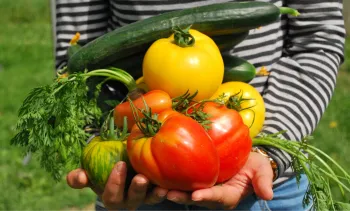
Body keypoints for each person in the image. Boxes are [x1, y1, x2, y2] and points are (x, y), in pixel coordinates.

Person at [51, 0, 346, 210]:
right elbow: (77, 68)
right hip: (136, 184)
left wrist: (269, 152)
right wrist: (102, 152)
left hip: (265, 186)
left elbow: (317, 41)